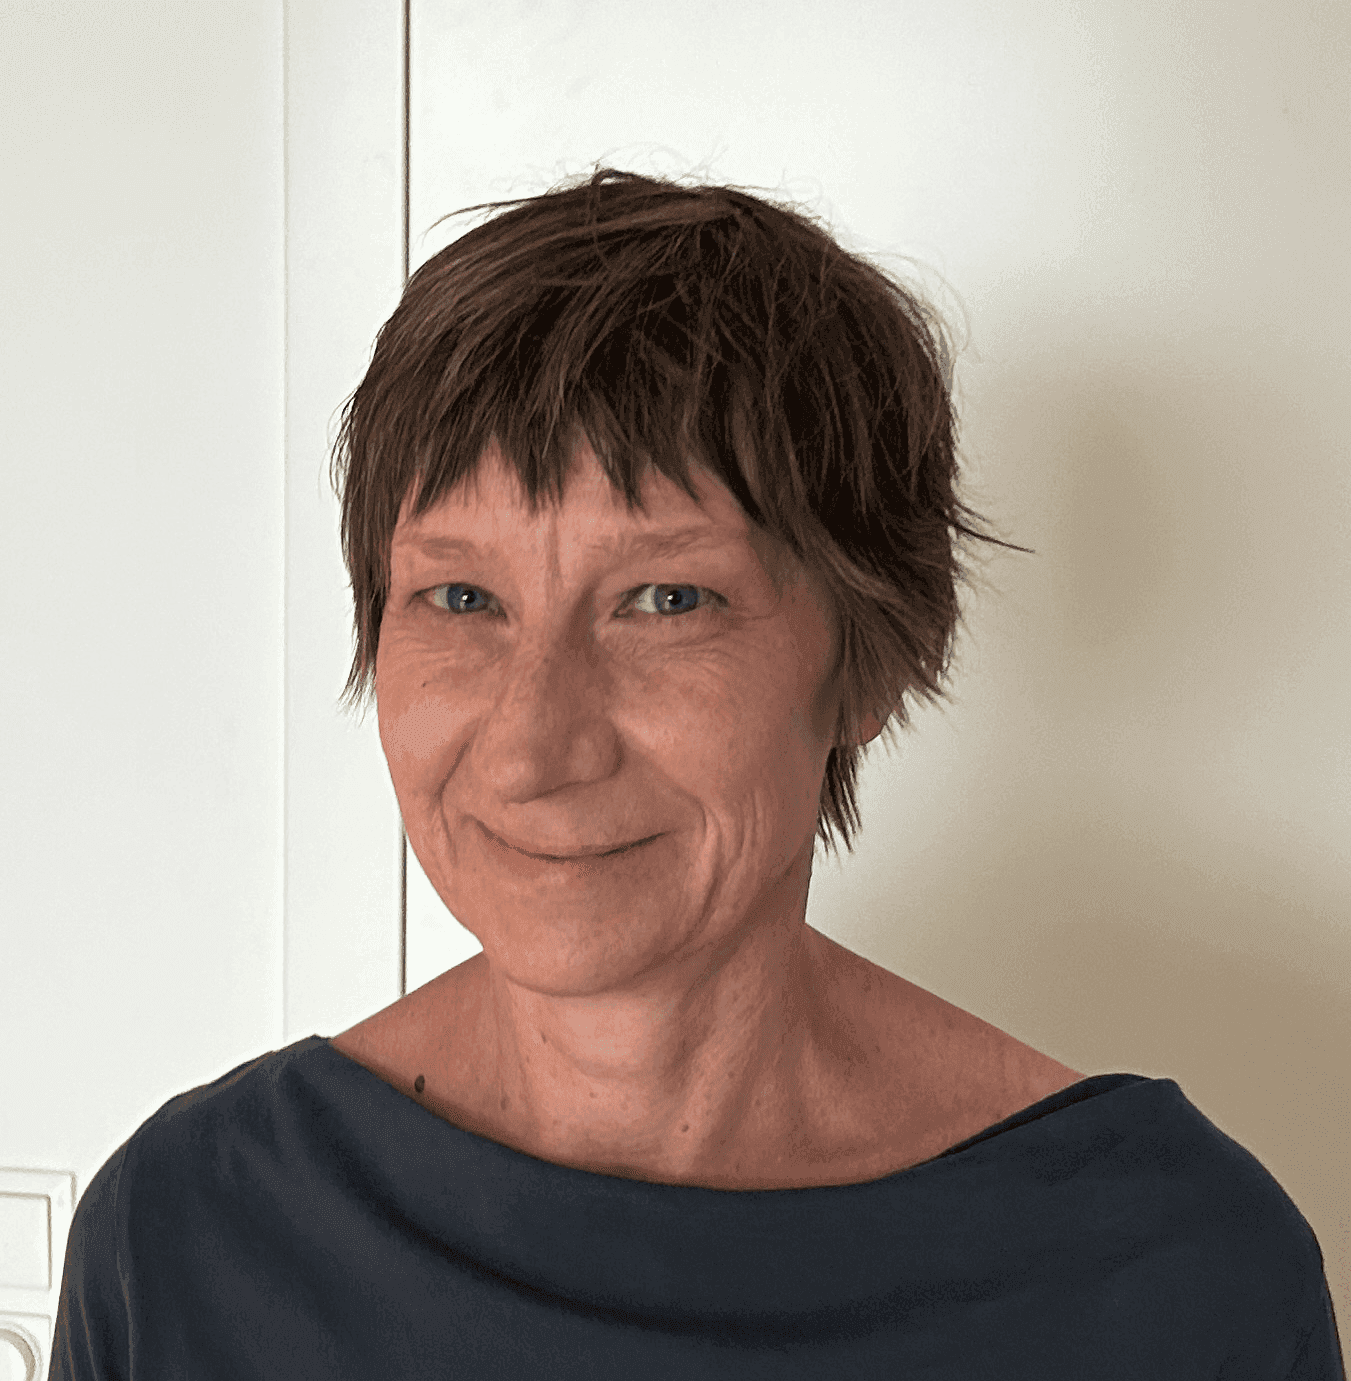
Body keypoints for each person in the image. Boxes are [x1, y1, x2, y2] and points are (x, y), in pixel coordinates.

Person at [51, 168, 1344, 1377]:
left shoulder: (1168, 1268)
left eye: (666, 599)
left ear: (878, 657)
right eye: (461, 597)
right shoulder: (188, 1235)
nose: (532, 746)